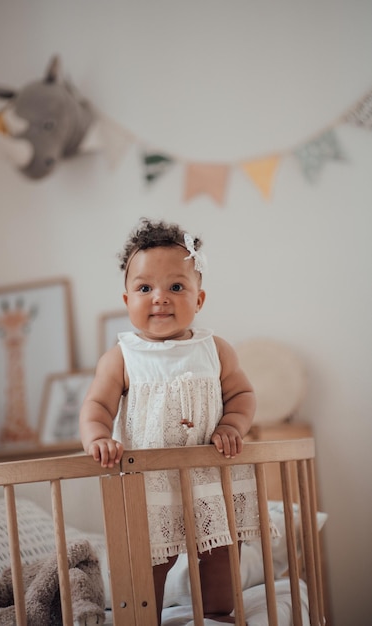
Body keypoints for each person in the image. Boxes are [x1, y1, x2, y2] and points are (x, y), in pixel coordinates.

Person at [80, 218, 261, 624]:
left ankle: (215, 616)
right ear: (126, 300)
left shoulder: (215, 349)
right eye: (145, 288)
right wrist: (98, 437)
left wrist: (232, 425)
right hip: (150, 485)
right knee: (148, 566)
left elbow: (243, 395)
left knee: (220, 562)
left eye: (176, 287)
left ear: (199, 299)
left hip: (210, 478)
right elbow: (97, 406)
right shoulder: (122, 357)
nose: (160, 298)